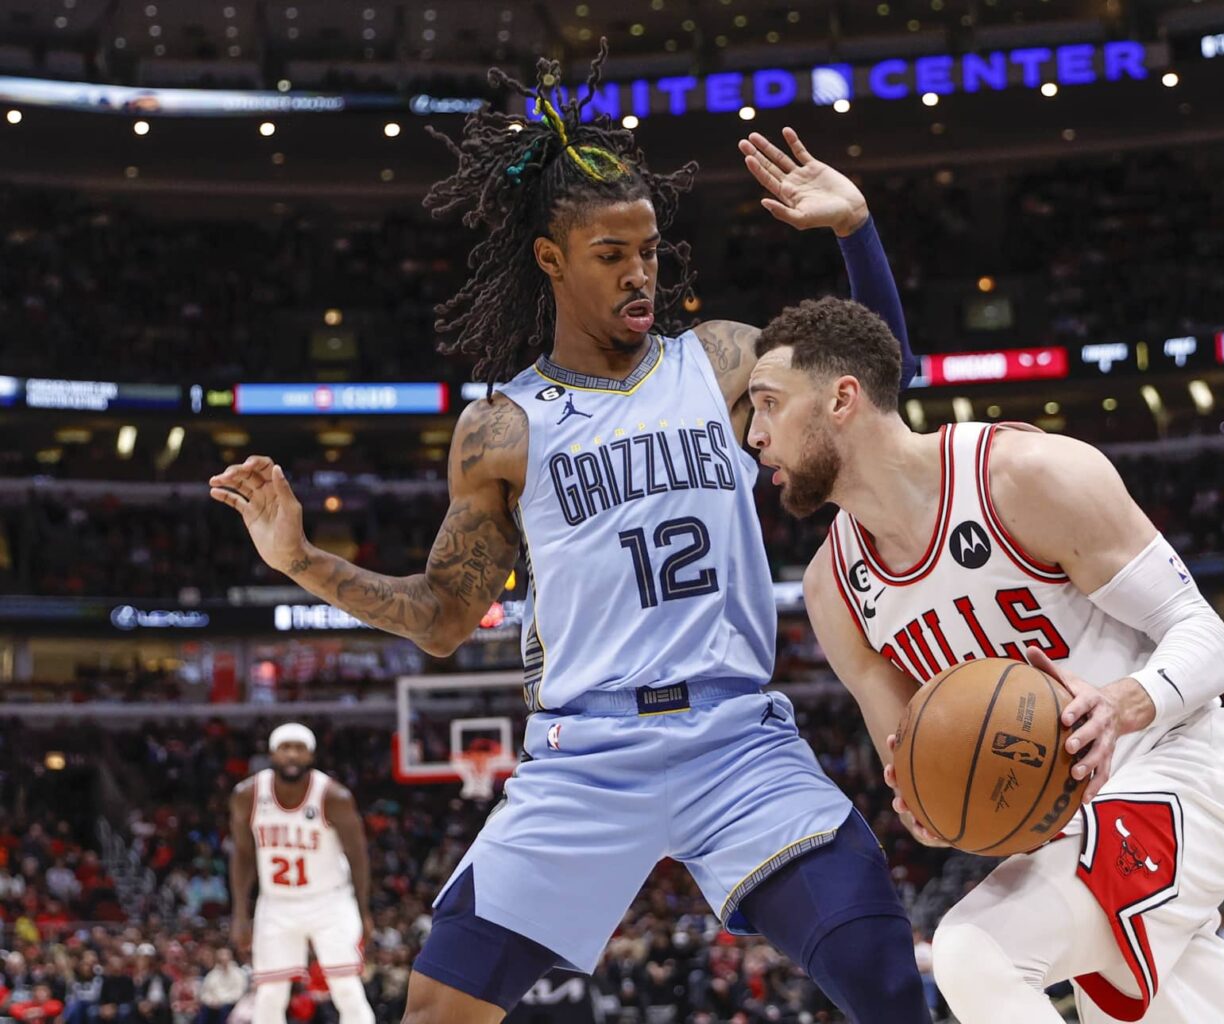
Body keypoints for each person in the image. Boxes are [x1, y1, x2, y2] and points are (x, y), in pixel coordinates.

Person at [209, 47, 927, 1024]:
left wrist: (854, 230)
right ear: (550, 257)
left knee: (885, 974)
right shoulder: (502, 429)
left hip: (734, 739)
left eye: (648, 248)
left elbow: (870, 398)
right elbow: (441, 619)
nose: (641, 274)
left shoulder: (719, 361)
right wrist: (301, 560)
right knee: (434, 1011)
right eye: (610, 255)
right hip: (587, 752)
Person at [747, 296, 1224, 1023]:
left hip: (1183, 776)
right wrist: (929, 806)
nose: (754, 435)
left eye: (769, 404)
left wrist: (1121, 702)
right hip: (1068, 829)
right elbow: (913, 768)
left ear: (842, 398)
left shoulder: (1022, 475)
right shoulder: (834, 590)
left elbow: (1210, 638)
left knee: (976, 950)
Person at [228, 724, 374, 1024]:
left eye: (299, 748)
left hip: (330, 900)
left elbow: (358, 856)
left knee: (347, 988)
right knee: (269, 994)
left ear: (311, 754)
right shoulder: (247, 795)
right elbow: (242, 855)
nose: (292, 754)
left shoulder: (334, 797)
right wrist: (240, 912)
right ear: (272, 753)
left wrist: (363, 909)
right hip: (276, 902)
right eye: (285, 747)